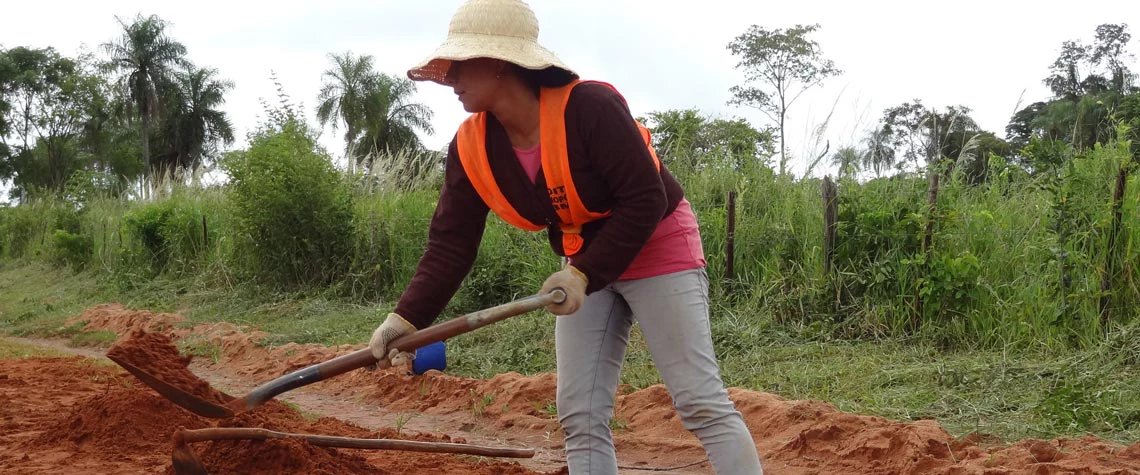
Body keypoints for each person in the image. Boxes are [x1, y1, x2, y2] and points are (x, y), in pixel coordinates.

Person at [368, 0, 764, 473]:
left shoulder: (590, 109)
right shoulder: (470, 146)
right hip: (583, 265)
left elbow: (645, 198)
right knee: (580, 413)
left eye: (461, 63)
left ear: (499, 64)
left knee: (700, 402)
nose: (450, 77)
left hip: (655, 245)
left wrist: (583, 275)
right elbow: (452, 242)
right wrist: (406, 319)